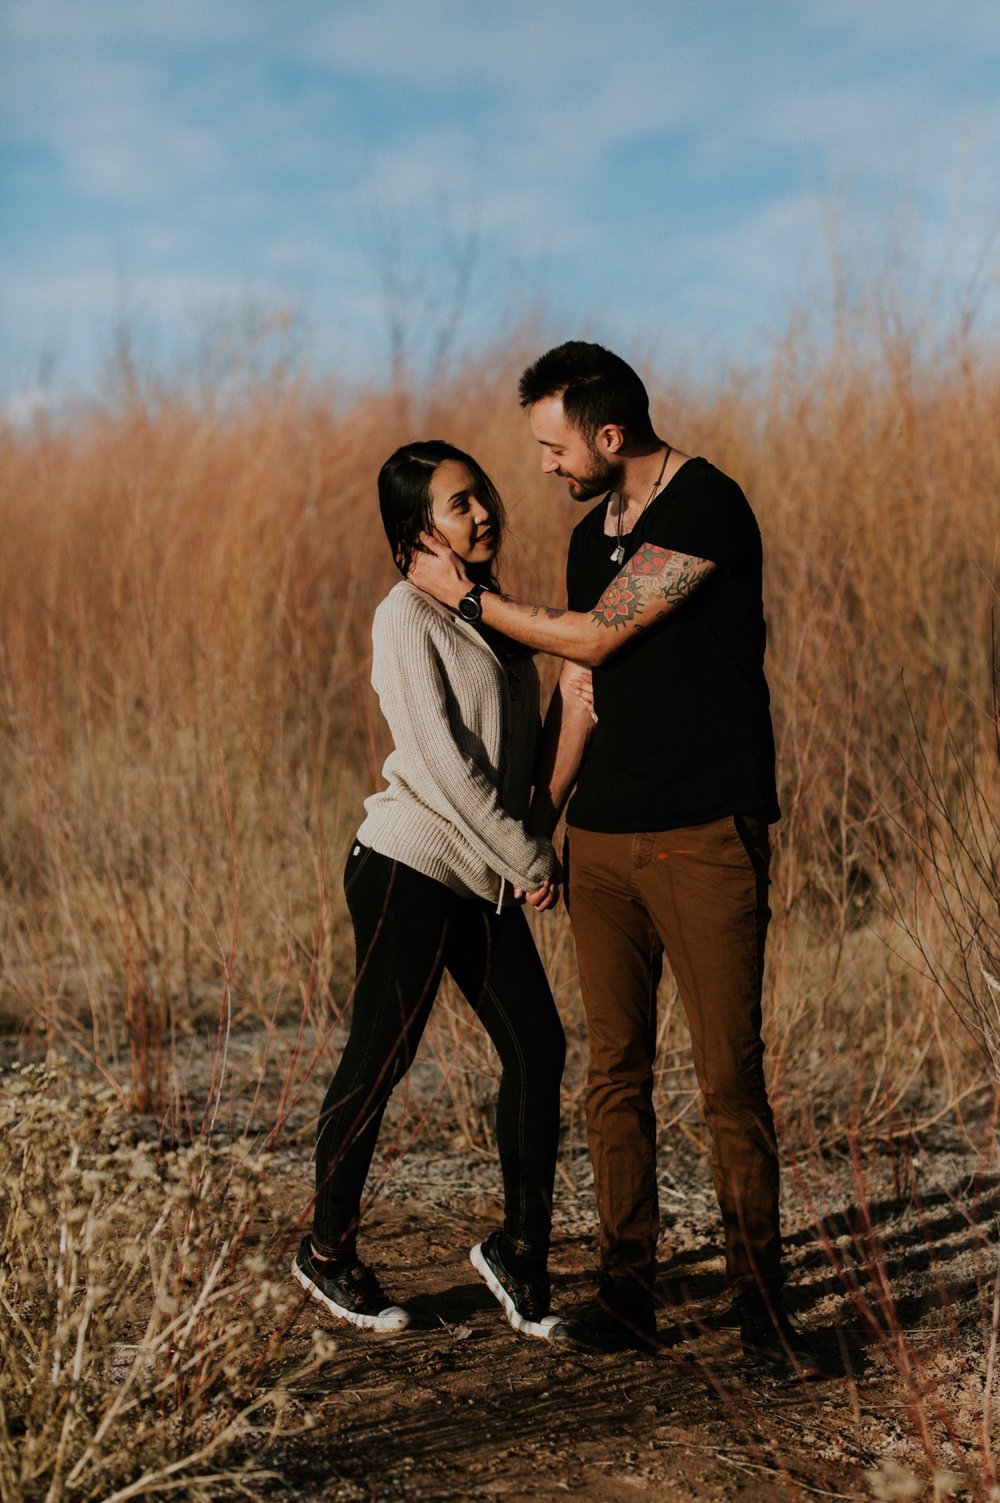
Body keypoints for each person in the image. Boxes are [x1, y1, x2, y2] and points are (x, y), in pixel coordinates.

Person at [409, 342, 821, 1370]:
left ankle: (762, 1315)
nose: (543, 468)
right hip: (599, 845)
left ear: (608, 434)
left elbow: (590, 639)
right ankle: (627, 1293)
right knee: (612, 1074)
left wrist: (462, 598)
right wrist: (538, 821)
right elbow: (582, 694)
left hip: (704, 835)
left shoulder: (707, 507)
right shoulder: (592, 533)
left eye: (554, 447)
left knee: (730, 1080)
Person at [293, 439, 566, 1340]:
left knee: (537, 1045)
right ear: (417, 530)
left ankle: (521, 1250)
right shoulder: (404, 617)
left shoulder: (485, 613)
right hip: (409, 864)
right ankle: (327, 1248)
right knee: (380, 1054)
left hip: (477, 876)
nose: (481, 511)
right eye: (458, 504)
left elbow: (514, 755)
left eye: (481, 493)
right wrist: (530, 857)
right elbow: (447, 769)